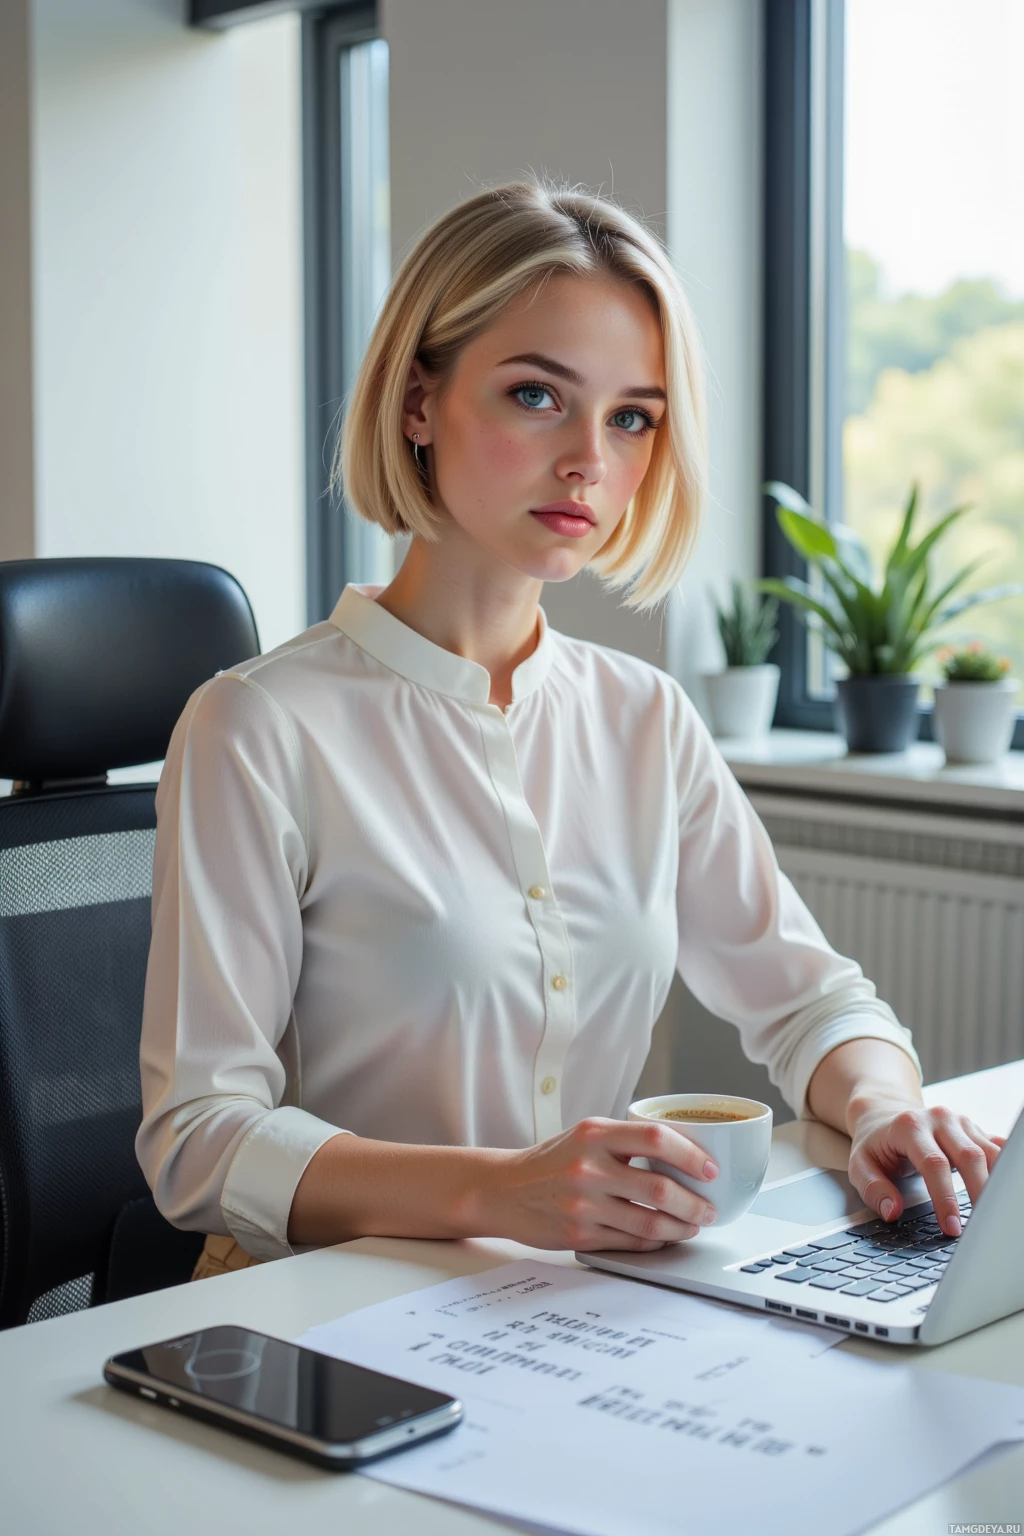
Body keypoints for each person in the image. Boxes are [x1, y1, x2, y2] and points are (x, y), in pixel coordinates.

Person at [136, 177, 1005, 1282]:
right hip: (317, 1311)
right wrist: (502, 1192)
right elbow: (197, 1139)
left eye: (632, 416)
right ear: (417, 402)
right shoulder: (256, 728)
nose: (591, 458)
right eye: (537, 396)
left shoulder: (643, 717)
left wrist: (887, 1106)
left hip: (578, 1304)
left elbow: (812, 1001)